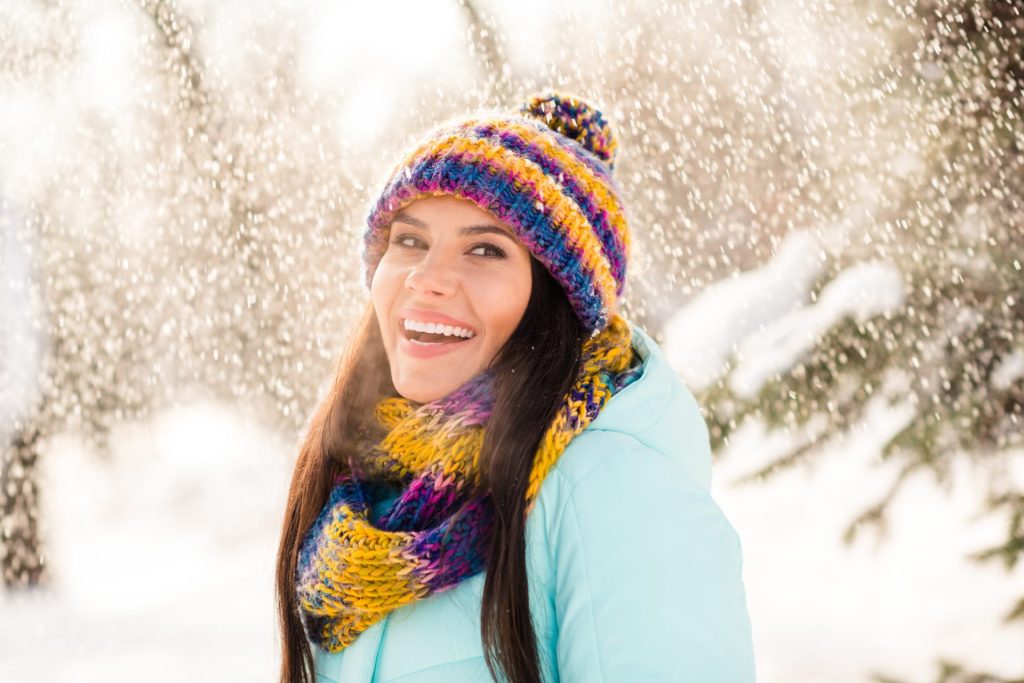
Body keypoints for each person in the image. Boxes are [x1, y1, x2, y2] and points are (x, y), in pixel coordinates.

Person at [275, 92, 757, 683]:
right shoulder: (357, 497)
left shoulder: (613, 488)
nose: (427, 279)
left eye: (485, 249)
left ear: (554, 298)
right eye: (409, 240)